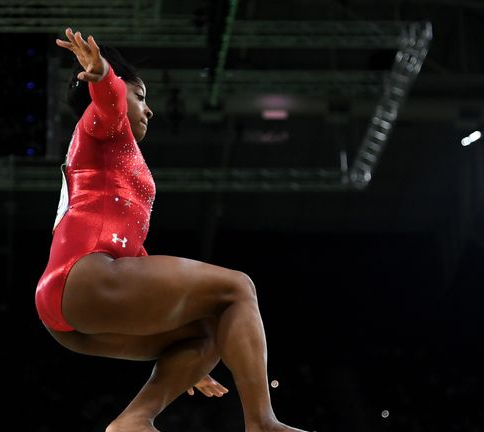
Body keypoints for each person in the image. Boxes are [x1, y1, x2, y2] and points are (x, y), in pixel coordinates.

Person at [36, 27, 306, 432]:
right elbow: (109, 101)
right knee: (238, 288)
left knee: (208, 332)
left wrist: (188, 360)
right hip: (87, 277)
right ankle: (262, 423)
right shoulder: (102, 126)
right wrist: (103, 72)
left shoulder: (106, 153)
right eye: (141, 96)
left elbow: (133, 258)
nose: (149, 110)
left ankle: (133, 421)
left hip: (69, 312)